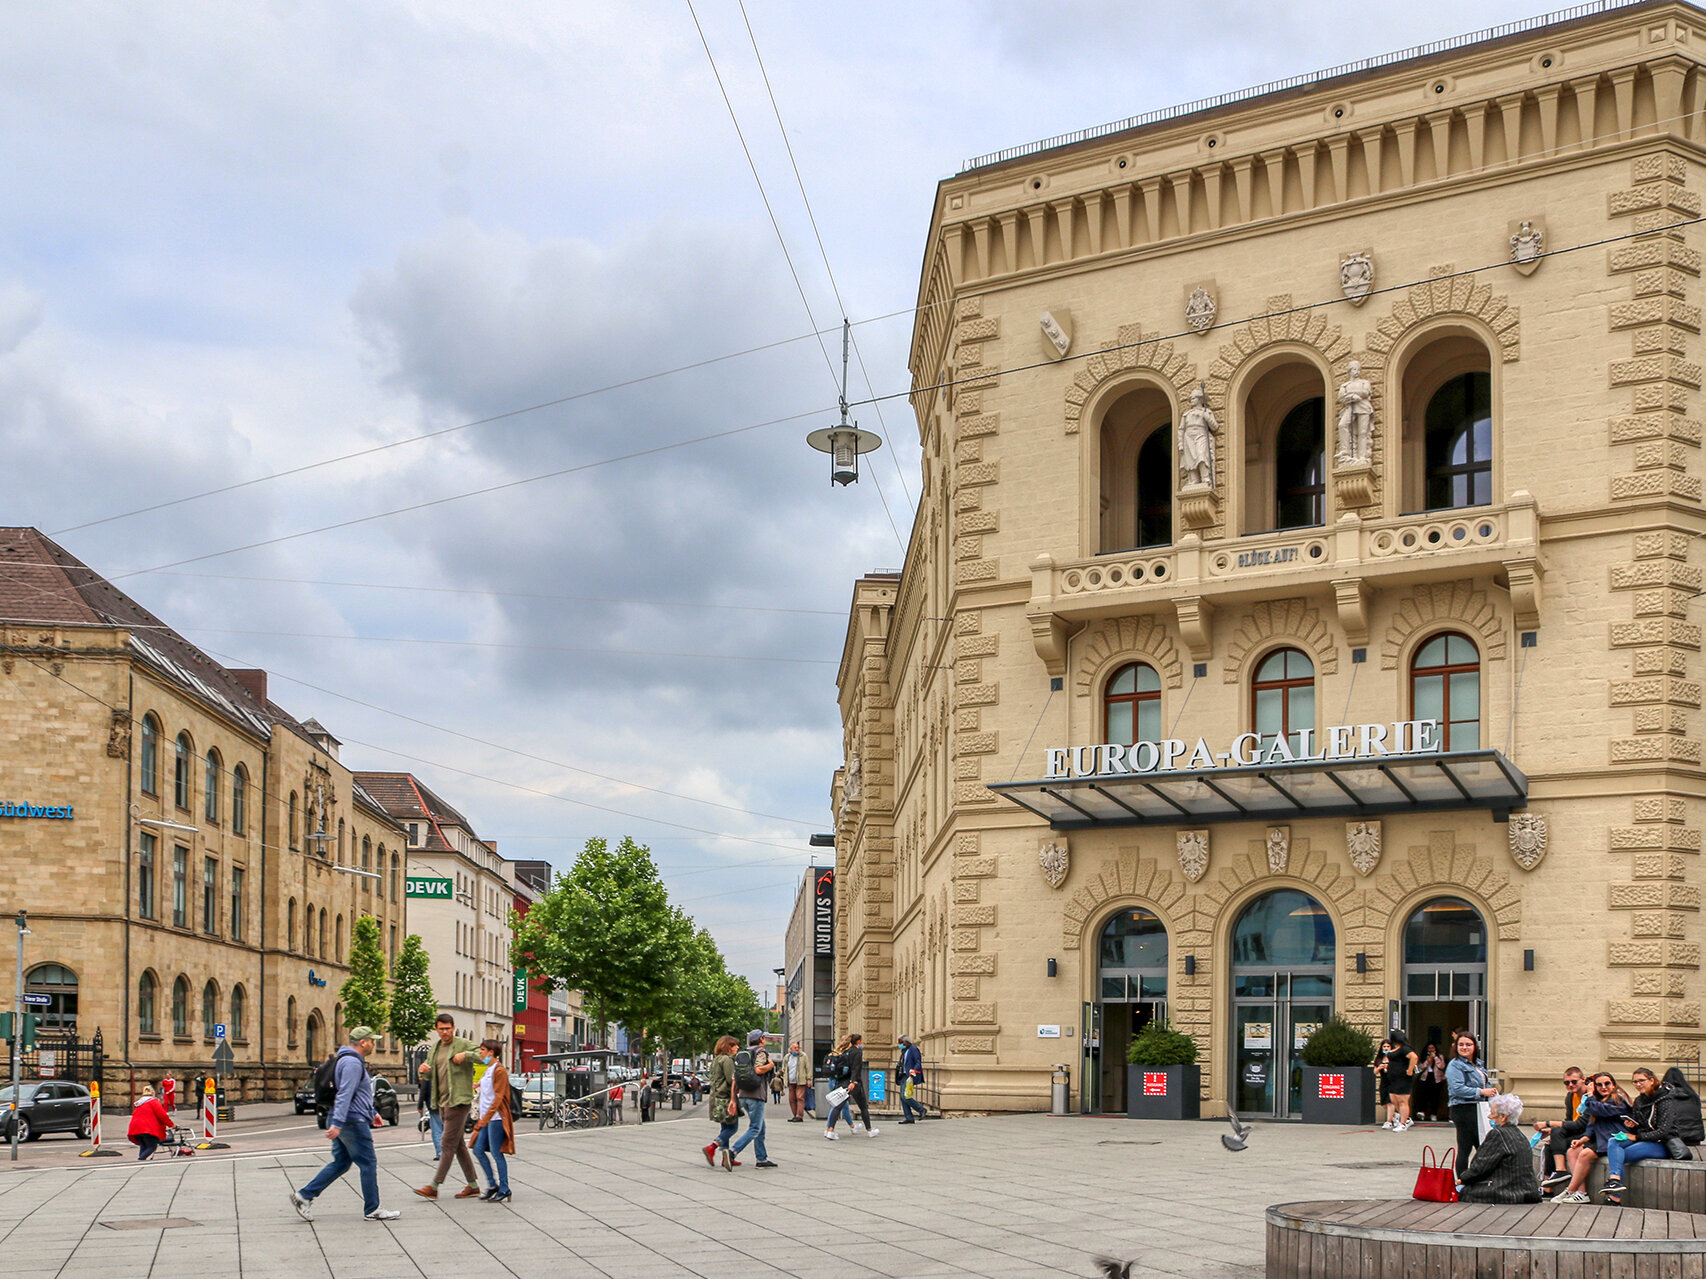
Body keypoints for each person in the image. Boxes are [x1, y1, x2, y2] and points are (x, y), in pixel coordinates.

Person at [288, 1026, 400, 1222]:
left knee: (341, 1163)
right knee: (368, 1162)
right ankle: (373, 1209)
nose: (374, 1044)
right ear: (363, 1042)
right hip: (351, 1120)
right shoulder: (352, 1064)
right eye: (372, 1041)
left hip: (349, 1117)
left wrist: (372, 1112)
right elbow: (345, 1094)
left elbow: (358, 1094)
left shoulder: (348, 1060)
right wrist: (338, 1123)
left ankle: (304, 1196)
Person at [1601, 1066, 1706, 1204]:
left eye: (1641, 1080)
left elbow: (1664, 1131)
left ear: (1651, 1080)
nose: (1638, 1084)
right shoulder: (1639, 1101)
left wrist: (1636, 1137)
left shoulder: (1665, 1099)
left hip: (1662, 1144)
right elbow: (1643, 1126)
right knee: (1614, 1142)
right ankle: (1615, 1181)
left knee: (1618, 1156)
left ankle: (1615, 1198)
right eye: (1635, 1082)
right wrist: (1634, 1124)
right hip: (1645, 1140)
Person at [413, 1013, 482, 1201]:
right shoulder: (434, 1048)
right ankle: (473, 1186)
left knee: (447, 1144)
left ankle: (434, 1186)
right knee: (458, 1145)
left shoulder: (462, 1044)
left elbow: (483, 1057)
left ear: (453, 1027)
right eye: (441, 1029)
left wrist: (466, 1055)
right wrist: (423, 1071)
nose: (445, 1032)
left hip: (458, 1101)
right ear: (436, 1029)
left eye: (448, 1028)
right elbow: (430, 1074)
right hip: (441, 1101)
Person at [1552, 1072, 1633, 1203]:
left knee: (1584, 1154)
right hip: (1601, 1139)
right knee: (1572, 1151)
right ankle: (1581, 1192)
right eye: (1599, 1085)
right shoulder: (1597, 1101)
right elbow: (1591, 1125)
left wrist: (1590, 1096)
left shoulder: (1618, 1099)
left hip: (1615, 1139)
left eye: (1607, 1083)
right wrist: (1582, 1139)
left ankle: (1570, 1190)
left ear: (1613, 1085)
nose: (1603, 1087)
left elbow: (1601, 1110)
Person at [1456, 1093, 1542, 1203]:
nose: (1489, 1117)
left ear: (1503, 1117)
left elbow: (1480, 1166)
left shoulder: (1498, 1134)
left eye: (1492, 1114)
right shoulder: (1519, 1134)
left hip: (1505, 1191)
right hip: (1527, 1191)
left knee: (1459, 1190)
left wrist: (1462, 1179)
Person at [1445, 1031, 1496, 1177]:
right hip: (1463, 1108)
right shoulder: (1455, 1065)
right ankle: (1462, 1181)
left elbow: (1486, 1084)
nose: (1464, 1047)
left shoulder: (1478, 1064)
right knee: (1465, 1148)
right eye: (1461, 1044)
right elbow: (1457, 1089)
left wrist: (1492, 1094)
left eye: (1468, 1044)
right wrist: (1481, 1092)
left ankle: (1475, 1177)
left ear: (1475, 1046)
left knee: (1483, 1146)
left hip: (1479, 1108)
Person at [469, 1039, 513, 1203]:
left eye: (482, 1050)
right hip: (486, 1118)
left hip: (495, 1119)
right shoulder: (489, 1069)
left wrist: (485, 1119)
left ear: (491, 1052)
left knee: (496, 1153)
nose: (480, 1053)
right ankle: (492, 1185)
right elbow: (487, 1092)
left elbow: (498, 1097)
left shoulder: (499, 1070)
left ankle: (504, 1187)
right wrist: (478, 1086)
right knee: (478, 1150)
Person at [1533, 1066, 1589, 1192]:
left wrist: (1548, 1123)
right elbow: (1569, 1121)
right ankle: (1547, 1189)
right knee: (1550, 1144)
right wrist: (1550, 1131)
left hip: (1589, 1135)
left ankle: (1561, 1171)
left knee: (1556, 1132)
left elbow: (1580, 1124)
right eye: (1566, 1082)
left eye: (1574, 1081)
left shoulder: (1590, 1097)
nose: (1570, 1085)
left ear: (1583, 1080)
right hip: (1577, 1132)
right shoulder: (1570, 1097)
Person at [730, 1029, 777, 1169]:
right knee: (755, 1128)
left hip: (744, 1095)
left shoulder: (743, 1053)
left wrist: (734, 1098)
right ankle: (733, 1151)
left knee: (760, 1127)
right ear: (761, 1039)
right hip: (756, 1095)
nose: (765, 1040)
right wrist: (771, 1065)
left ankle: (761, 1159)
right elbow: (758, 1069)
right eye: (764, 1037)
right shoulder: (760, 1051)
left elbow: (735, 1077)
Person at [824, 1032, 877, 1140]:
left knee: (837, 1106)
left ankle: (830, 1130)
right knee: (863, 1107)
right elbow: (856, 1068)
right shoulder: (857, 1052)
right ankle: (870, 1130)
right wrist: (854, 1081)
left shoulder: (846, 1052)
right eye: (861, 1040)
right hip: (853, 1083)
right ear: (858, 1041)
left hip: (843, 1082)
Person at [702, 1034, 742, 1170]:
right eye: (734, 1045)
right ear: (727, 1047)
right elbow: (731, 1080)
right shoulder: (727, 1060)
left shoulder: (716, 1059)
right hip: (725, 1096)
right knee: (732, 1127)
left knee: (725, 1127)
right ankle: (712, 1147)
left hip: (716, 1096)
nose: (737, 1047)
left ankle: (726, 1157)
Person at [1381, 1031, 1419, 1132]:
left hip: (1403, 1079)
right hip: (1393, 1079)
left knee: (1402, 1101)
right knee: (1394, 1099)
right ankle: (1406, 1118)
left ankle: (1403, 1123)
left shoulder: (1404, 1049)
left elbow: (1414, 1057)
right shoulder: (1395, 1049)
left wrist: (1410, 1070)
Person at [127, 1084, 172, 1161]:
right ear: (153, 1093)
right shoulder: (154, 1102)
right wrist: (171, 1125)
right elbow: (162, 1115)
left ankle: (141, 1161)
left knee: (143, 1145)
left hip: (136, 1127)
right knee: (152, 1146)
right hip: (148, 1128)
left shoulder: (139, 1103)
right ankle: (140, 1159)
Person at [1412, 1043, 1446, 1122]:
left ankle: (1434, 1114)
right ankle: (1423, 1113)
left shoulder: (1440, 1056)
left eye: (1433, 1048)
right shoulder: (1424, 1056)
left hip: (1436, 1079)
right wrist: (1428, 1061)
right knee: (1424, 1097)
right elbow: (1421, 1067)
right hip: (1426, 1078)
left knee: (1435, 1098)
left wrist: (1436, 1058)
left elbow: (1442, 1066)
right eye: (1429, 1048)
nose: (1431, 1050)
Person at [898, 1034, 927, 1125]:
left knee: (905, 1096)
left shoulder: (913, 1049)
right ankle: (909, 1117)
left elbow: (918, 1061)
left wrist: (914, 1070)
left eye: (900, 1042)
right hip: (903, 1075)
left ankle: (921, 1109)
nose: (899, 1044)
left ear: (906, 1042)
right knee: (903, 1097)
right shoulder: (904, 1050)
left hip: (909, 1075)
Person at [417, 1069, 442, 1158]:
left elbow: (423, 1090)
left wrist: (420, 1105)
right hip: (446, 1104)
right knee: (446, 1129)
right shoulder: (444, 1069)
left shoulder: (427, 1071)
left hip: (433, 1105)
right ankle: (447, 1152)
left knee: (436, 1130)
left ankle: (440, 1153)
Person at [785, 1043, 807, 1122]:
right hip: (791, 1081)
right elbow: (785, 1069)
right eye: (795, 1048)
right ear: (791, 1049)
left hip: (800, 1081)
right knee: (792, 1099)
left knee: (799, 1097)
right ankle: (795, 1115)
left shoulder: (803, 1056)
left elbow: (807, 1067)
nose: (797, 1049)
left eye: (798, 1047)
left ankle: (799, 1116)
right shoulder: (787, 1057)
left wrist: (809, 1079)